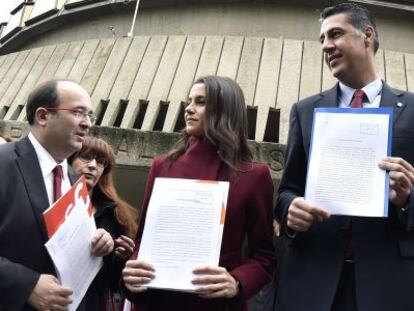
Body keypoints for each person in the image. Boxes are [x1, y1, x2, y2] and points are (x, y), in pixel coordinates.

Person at [275, 3, 414, 311]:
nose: (326, 46)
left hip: (389, 284)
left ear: (367, 36)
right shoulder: (306, 110)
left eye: (335, 34)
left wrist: (407, 198)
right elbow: (287, 190)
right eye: (322, 39)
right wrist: (290, 211)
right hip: (312, 281)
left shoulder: (413, 110)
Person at [122, 76, 276, 311]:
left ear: (225, 109)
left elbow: (264, 257)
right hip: (157, 301)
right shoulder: (161, 166)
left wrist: (236, 282)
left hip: (215, 305)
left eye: (200, 101)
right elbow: (143, 240)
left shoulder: (254, 176)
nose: (189, 109)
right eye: (189, 101)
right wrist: (133, 269)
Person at [0, 79, 114, 310]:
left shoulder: (74, 181)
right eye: (79, 113)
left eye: (90, 116)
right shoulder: (4, 163)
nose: (87, 124)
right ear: (43, 116)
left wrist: (99, 242)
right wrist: (26, 285)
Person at [69, 136, 138, 310]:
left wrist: (123, 259)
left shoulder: (115, 215)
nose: (93, 166)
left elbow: (114, 283)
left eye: (101, 162)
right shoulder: (49, 199)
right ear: (69, 160)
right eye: (85, 157)